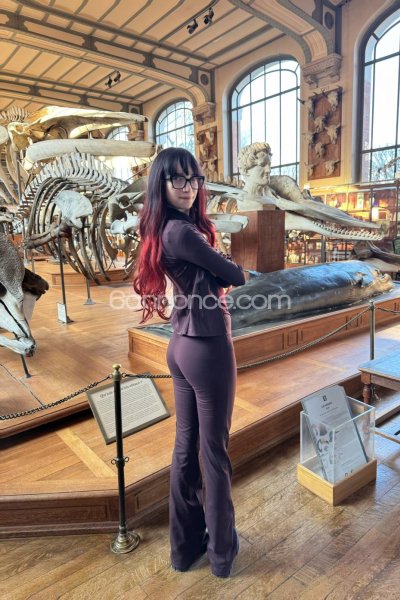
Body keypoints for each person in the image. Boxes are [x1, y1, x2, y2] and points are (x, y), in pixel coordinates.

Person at [133, 147, 245, 578]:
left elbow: (215, 273)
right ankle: (221, 555)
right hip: (207, 346)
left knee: (186, 448)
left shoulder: (165, 228)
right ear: (161, 184)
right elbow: (235, 275)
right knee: (213, 454)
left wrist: (217, 270)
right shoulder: (182, 232)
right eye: (177, 179)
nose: (188, 187)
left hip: (181, 345)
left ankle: (184, 550)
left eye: (194, 178)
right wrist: (226, 270)